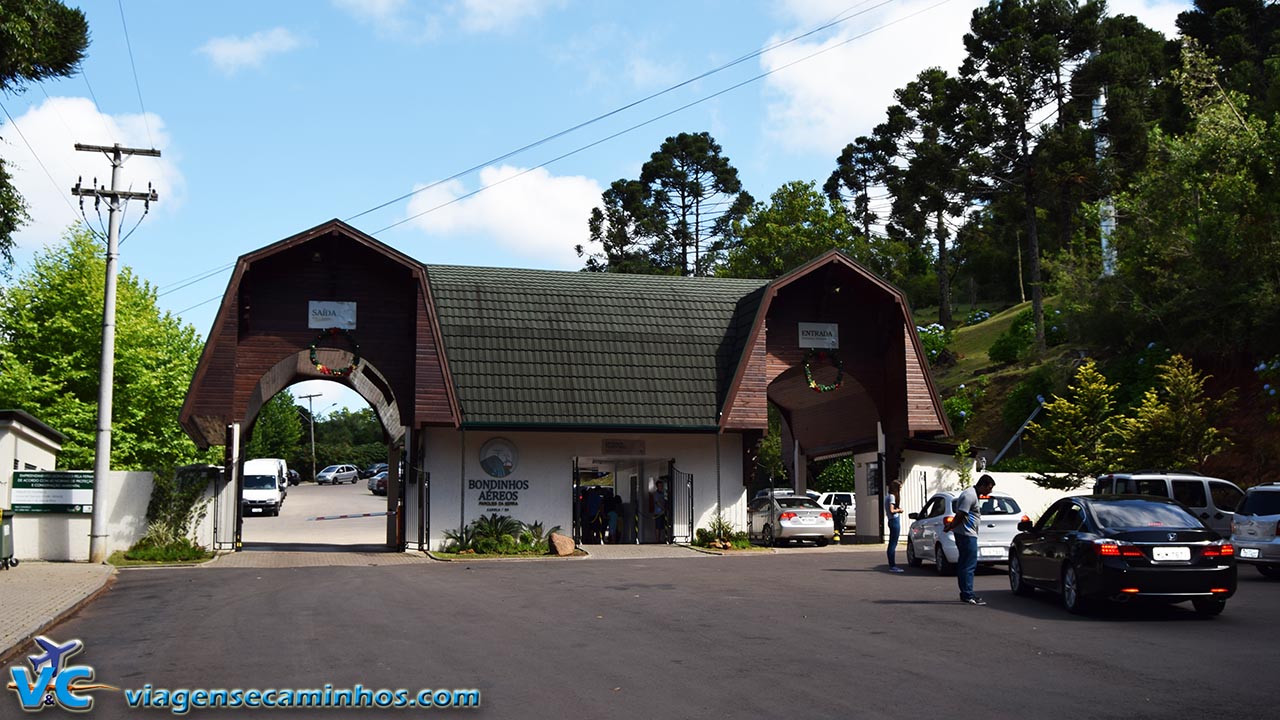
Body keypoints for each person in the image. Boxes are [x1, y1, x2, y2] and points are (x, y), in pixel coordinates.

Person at [953, 474, 997, 605]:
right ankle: (968, 594)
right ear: (982, 485)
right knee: (969, 565)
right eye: (989, 488)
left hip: (966, 534)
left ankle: (965, 593)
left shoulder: (972, 494)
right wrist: (951, 525)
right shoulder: (969, 495)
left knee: (964, 564)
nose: (990, 491)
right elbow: (961, 513)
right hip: (967, 534)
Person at [885, 480, 904, 572]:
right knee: (893, 543)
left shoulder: (887, 496)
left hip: (891, 520)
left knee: (892, 543)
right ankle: (892, 565)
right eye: (899, 487)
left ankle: (892, 564)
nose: (900, 489)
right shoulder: (892, 497)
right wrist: (899, 510)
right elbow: (892, 510)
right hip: (894, 521)